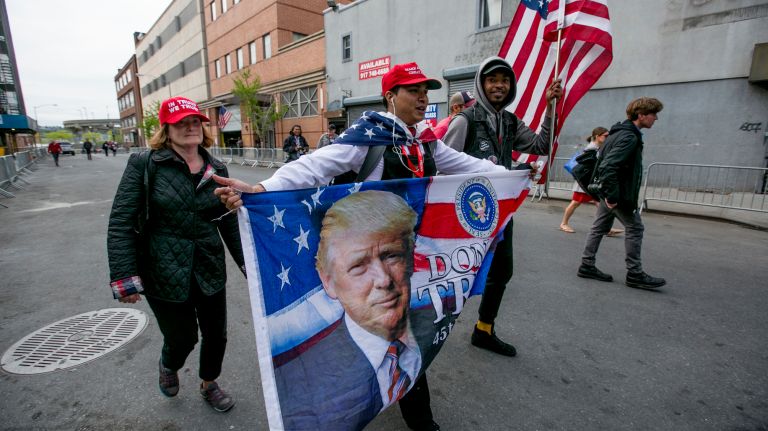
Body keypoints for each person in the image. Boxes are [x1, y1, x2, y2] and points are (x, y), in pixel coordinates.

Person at [214, 61, 509, 431]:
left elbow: (469, 165)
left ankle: (420, 417)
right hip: (369, 261)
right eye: (413, 90)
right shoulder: (368, 137)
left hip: (409, 258)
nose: (423, 97)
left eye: (426, 91)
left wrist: (515, 178)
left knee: (409, 331)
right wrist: (261, 190)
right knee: (376, 337)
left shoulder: (427, 141)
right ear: (390, 96)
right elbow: (314, 166)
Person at [107, 96, 245, 413]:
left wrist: (250, 266)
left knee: (216, 335)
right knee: (182, 338)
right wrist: (124, 278)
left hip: (208, 265)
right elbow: (121, 222)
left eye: (194, 121)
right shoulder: (145, 164)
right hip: (162, 268)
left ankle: (209, 383)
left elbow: (228, 223)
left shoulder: (217, 168)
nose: (189, 127)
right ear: (166, 129)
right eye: (180, 122)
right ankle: (169, 363)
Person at [442, 56, 562, 357]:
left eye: (504, 80)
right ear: (481, 84)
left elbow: (540, 146)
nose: (499, 85)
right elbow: (442, 167)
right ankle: (433, 331)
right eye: (492, 80)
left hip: (500, 213)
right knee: (454, 276)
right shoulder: (463, 120)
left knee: (502, 272)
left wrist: (550, 107)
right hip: (465, 215)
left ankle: (484, 330)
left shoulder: (510, 121)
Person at [274, 190, 421, 430]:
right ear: (328, 282)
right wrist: (260, 191)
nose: (383, 280)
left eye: (391, 256)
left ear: (411, 259)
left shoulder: (426, 322)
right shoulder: (304, 382)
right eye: (359, 266)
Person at [577, 97, 667, 290]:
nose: (656, 118)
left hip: (608, 191)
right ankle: (634, 273)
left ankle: (587, 264)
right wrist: (612, 197)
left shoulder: (616, 133)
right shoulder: (629, 137)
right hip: (617, 193)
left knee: (599, 227)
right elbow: (609, 166)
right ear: (641, 115)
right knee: (635, 228)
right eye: (653, 114)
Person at [559, 127, 624, 236]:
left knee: (600, 204)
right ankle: (563, 223)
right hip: (585, 182)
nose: (608, 138)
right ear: (598, 136)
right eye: (605, 136)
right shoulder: (591, 149)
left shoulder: (598, 147)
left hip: (592, 182)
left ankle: (605, 227)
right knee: (575, 202)